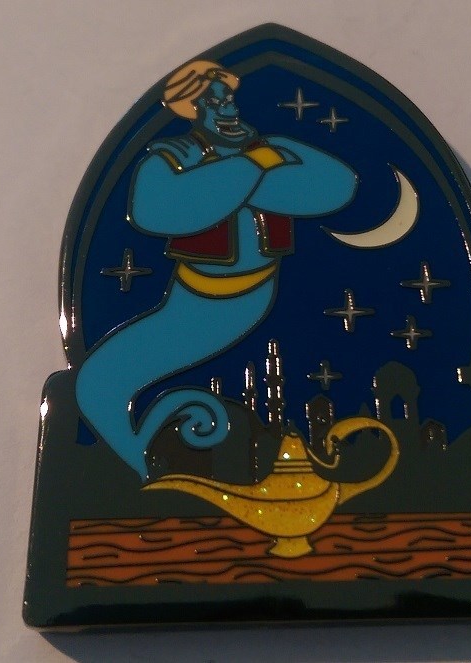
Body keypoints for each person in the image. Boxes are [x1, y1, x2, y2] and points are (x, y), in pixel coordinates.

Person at [76, 60, 357, 480]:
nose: (229, 108)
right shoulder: (171, 159)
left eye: (229, 99)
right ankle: (142, 476)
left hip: (252, 297)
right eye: (214, 101)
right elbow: (159, 211)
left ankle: (147, 474)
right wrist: (254, 166)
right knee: (96, 386)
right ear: (192, 108)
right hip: (198, 302)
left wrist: (228, 180)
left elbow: (336, 186)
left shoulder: (271, 146)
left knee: (100, 384)